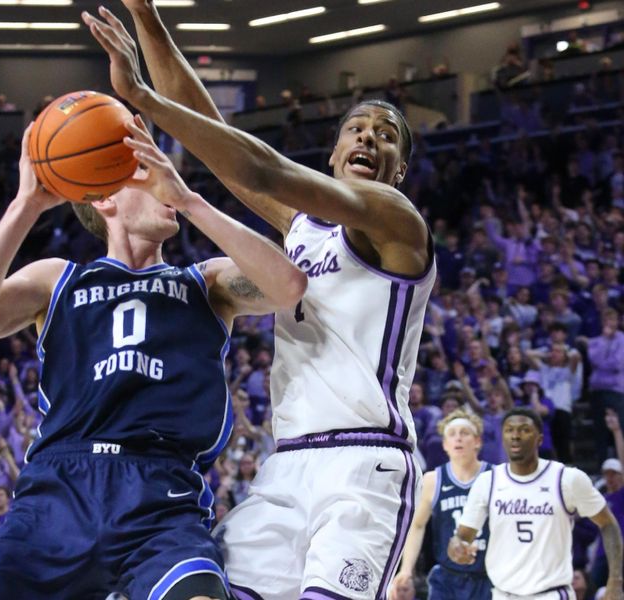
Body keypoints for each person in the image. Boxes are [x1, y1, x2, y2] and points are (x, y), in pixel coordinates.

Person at [84, 3, 434, 598]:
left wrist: (142, 98)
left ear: (399, 171)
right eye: (356, 128)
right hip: (287, 462)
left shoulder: (397, 221)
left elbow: (261, 169)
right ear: (333, 154)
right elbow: (211, 127)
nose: (369, 138)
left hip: (365, 463)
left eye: (386, 136)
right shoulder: (303, 229)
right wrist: (148, 20)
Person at [0, 114, 306, 598]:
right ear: (105, 196)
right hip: (58, 491)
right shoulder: (59, 279)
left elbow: (289, 286)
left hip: (161, 494)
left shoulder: (206, 282)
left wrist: (190, 201)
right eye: (143, 173)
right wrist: (25, 206)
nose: (162, 177)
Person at [448, 408, 624, 599]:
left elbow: (608, 523)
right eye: (509, 430)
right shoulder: (487, 482)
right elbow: (463, 537)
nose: (515, 436)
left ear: (539, 439)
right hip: (502, 594)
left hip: (552, 594)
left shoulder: (567, 479)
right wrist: (456, 548)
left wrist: (615, 580)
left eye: (524, 430)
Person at [389, 409, 492, 600]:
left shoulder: (494, 477)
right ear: (445, 445)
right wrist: (406, 570)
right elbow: (417, 525)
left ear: (477, 441)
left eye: (464, 433)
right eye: (452, 434)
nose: (458, 438)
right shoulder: (433, 480)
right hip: (447, 578)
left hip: (488, 575)